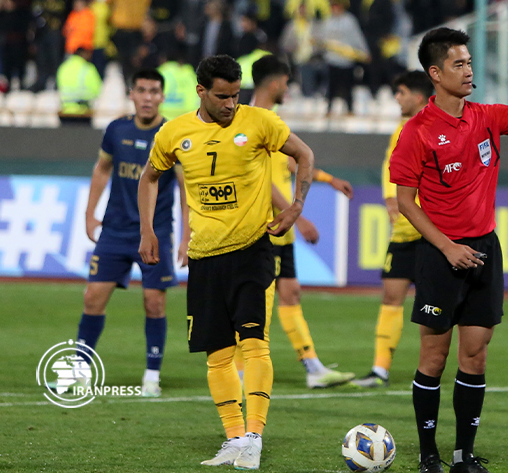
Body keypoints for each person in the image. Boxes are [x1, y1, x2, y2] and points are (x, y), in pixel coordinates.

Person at [138, 54, 315, 469]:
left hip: (252, 251)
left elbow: (305, 154)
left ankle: (254, 435)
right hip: (203, 258)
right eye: (222, 97)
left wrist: (295, 208)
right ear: (201, 91)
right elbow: (149, 177)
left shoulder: (259, 122)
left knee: (253, 343)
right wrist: (148, 230)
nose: (231, 104)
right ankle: (234, 439)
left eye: (236, 95)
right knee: (217, 355)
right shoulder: (174, 133)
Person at [389, 28, 508, 473]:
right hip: (439, 255)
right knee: (433, 357)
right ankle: (428, 454)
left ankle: (463, 455)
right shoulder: (416, 133)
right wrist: (447, 247)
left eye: (470, 62)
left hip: (484, 251)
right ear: (435, 73)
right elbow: (404, 202)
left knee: (476, 354)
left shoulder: (488, 116)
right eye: (459, 64)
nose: (469, 70)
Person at [76, 69, 188, 399]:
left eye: (155, 91)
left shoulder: (171, 134)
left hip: (155, 233)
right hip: (114, 230)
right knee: (92, 298)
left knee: (154, 302)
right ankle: (80, 371)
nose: (148, 97)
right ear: (132, 94)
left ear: (162, 96)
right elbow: (102, 170)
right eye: (142, 90)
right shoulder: (116, 129)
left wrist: (185, 235)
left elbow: (185, 188)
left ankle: (151, 375)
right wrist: (89, 213)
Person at [246, 54, 356, 388]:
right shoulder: (255, 121)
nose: (289, 89)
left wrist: (329, 179)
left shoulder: (268, 118)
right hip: (266, 225)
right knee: (255, 302)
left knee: (290, 292)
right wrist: (299, 215)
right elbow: (259, 180)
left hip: (281, 227)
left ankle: (313, 369)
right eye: (287, 82)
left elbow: (288, 165)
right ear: (276, 81)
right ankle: (240, 369)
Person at [353, 70, 432, 388]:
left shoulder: (434, 126)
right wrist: (390, 200)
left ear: (417, 96)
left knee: (433, 305)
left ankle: (431, 368)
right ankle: (380, 369)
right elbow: (392, 168)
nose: (397, 98)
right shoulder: (402, 128)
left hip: (431, 231)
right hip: (403, 230)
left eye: (400, 93)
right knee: (391, 295)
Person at [57, 47, 102, 121]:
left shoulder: (63, 67)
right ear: (83, 54)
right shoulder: (88, 68)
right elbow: (97, 90)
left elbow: (59, 86)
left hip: (65, 111)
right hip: (83, 112)